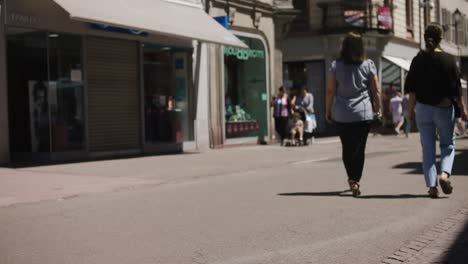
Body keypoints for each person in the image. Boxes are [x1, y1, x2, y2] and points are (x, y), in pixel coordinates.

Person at [405, 23, 468, 198]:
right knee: (447, 145)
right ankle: (444, 174)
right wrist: (463, 109)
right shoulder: (449, 60)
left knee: (428, 149)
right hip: (444, 108)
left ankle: (432, 186)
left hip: (423, 109)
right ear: (441, 39)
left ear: (425, 37)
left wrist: (411, 111)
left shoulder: (417, 60)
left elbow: (411, 89)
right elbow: (456, 89)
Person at [325, 32, 382, 197]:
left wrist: (328, 110)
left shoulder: (336, 65)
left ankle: (351, 178)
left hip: (342, 113)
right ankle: (355, 179)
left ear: (344, 47)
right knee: (359, 148)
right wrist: (378, 108)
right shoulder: (368, 64)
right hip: (363, 113)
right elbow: (376, 90)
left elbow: (330, 91)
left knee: (347, 148)